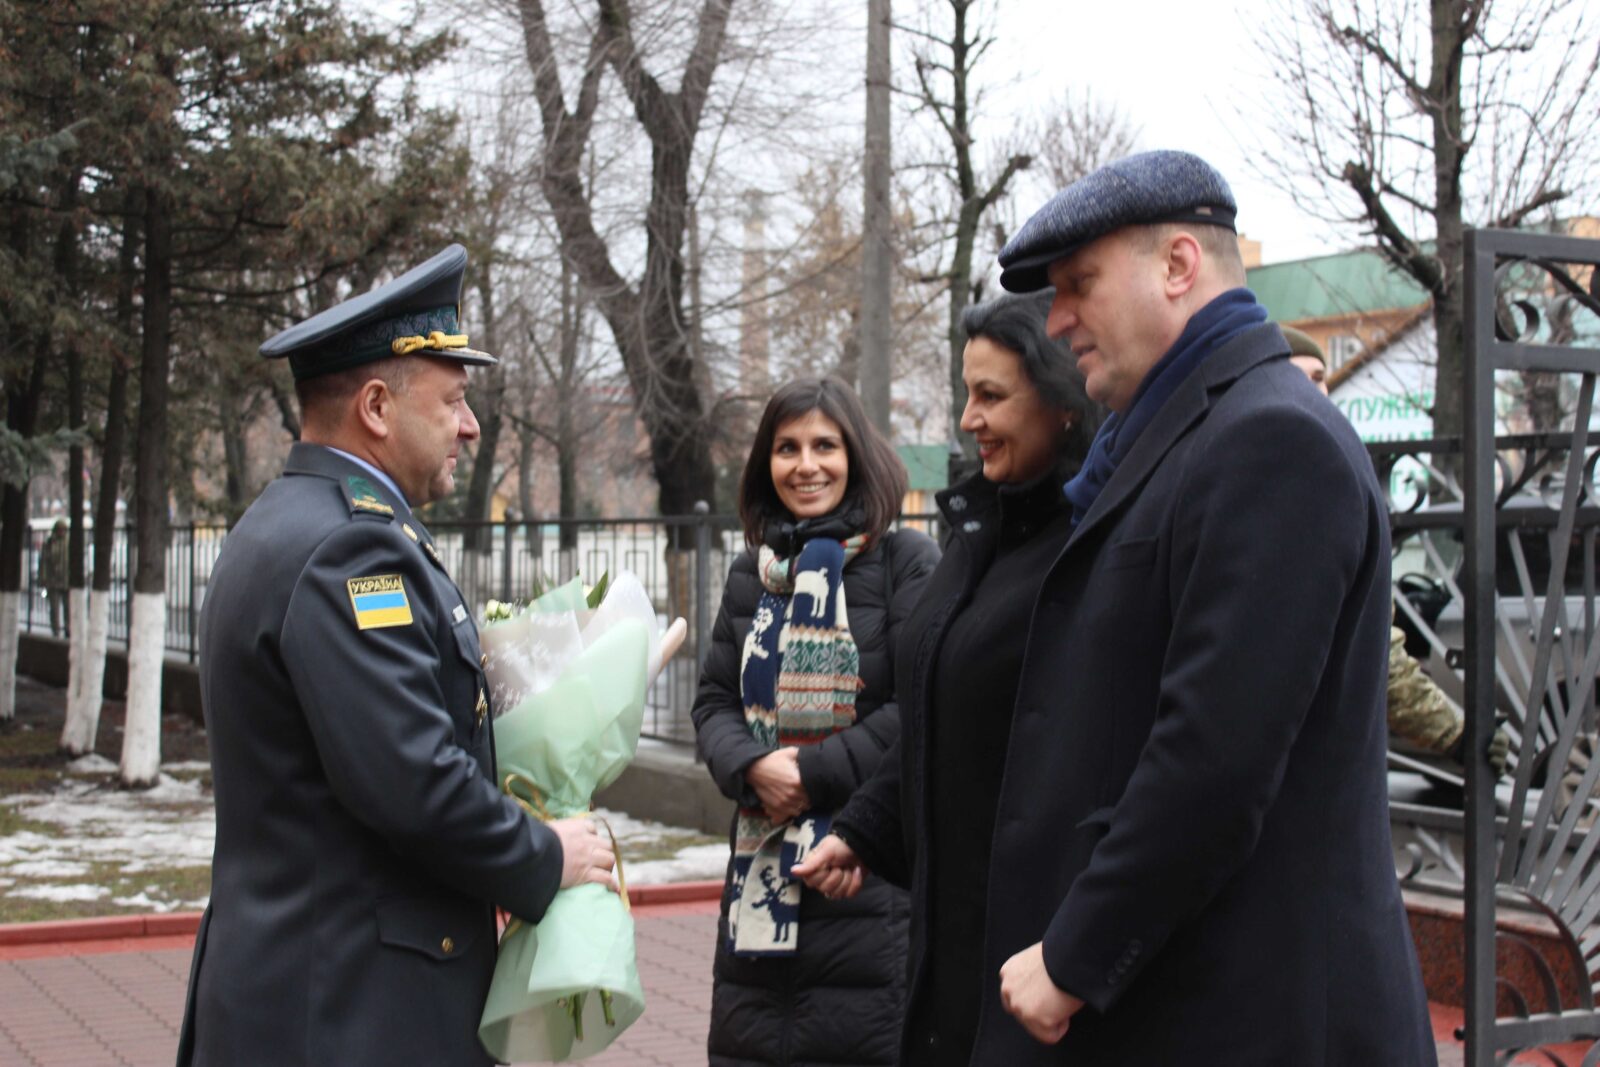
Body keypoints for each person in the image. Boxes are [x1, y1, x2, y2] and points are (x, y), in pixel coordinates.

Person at [800, 151, 1436, 1064]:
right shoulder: (1177, 442)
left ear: (1178, 266)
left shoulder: (1270, 440)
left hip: (1269, 1020)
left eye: (1079, 286)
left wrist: (1075, 952)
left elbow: (1213, 758)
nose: (1058, 321)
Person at [176, 245, 617, 1067]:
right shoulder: (353, 550)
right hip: (351, 1010)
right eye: (452, 398)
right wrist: (548, 854)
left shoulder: (289, 520)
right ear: (377, 406)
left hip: (305, 991)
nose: (470, 423)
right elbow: (412, 781)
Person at [795, 291, 1100, 1066]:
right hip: (952, 933)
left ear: (1063, 404)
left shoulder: (1091, 547)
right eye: (969, 392)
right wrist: (866, 824)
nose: (968, 418)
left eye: (991, 396)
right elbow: (943, 705)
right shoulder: (980, 524)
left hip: (1035, 950)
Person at [691, 376, 939, 1067]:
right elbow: (712, 700)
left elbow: (922, 702)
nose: (806, 464)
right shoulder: (753, 575)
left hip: (867, 882)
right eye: (787, 447)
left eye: (825, 445)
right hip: (758, 895)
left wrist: (810, 772)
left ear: (856, 455)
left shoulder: (905, 562)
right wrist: (750, 766)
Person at [1280, 326, 1511, 774]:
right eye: (1298, 377)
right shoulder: (1310, 480)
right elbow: (1368, 649)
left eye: (1320, 377)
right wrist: (1454, 732)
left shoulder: (1319, 468)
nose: (1315, 391)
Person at [38, 518, 69, 636]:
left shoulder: (69, 542)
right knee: (54, 609)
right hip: (53, 581)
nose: (61, 532)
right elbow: (44, 561)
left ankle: (68, 628)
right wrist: (43, 578)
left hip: (67, 581)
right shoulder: (50, 542)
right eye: (59, 530)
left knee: (68, 608)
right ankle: (55, 629)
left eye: (63, 530)